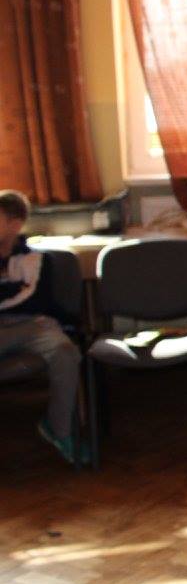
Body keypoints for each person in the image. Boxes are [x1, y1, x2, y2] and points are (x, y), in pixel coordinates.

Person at [0, 190, 85, 465]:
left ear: (15, 224)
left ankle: (59, 429)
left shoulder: (36, 259)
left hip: (33, 324)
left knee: (64, 351)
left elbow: (35, 300)